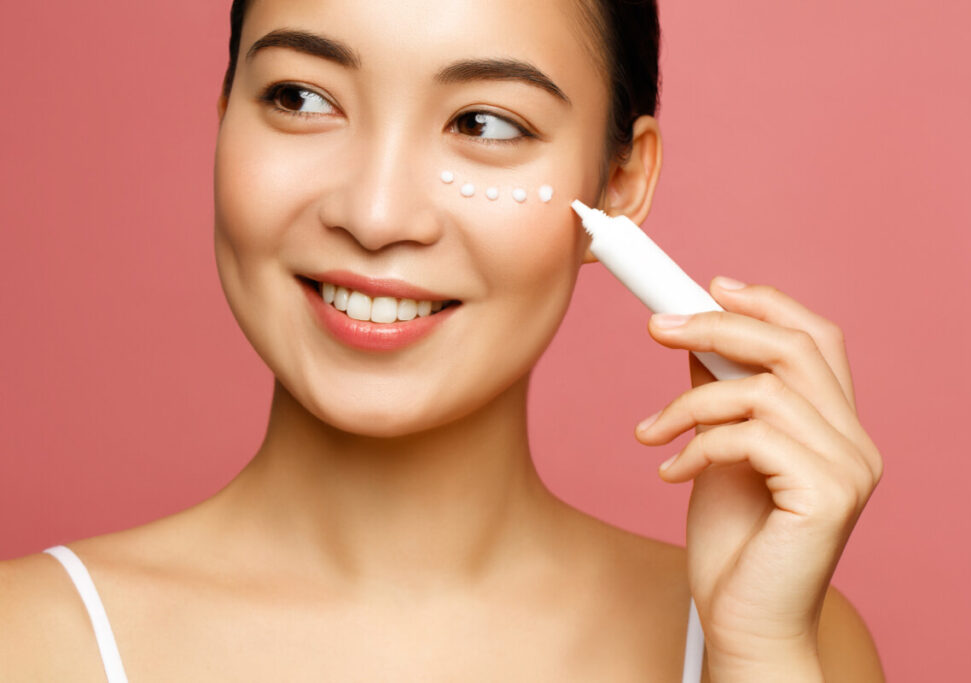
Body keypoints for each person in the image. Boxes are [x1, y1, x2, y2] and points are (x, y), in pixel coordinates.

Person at [0, 0, 885, 680]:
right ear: (225, 110)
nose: (376, 215)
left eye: (484, 124)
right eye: (300, 98)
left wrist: (761, 654)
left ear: (617, 186)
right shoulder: (28, 644)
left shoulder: (783, 640)